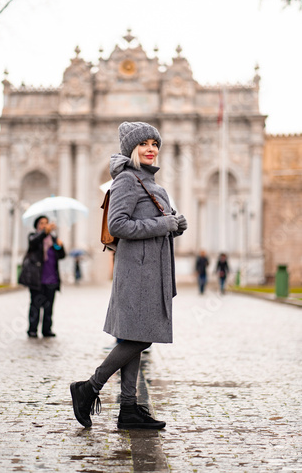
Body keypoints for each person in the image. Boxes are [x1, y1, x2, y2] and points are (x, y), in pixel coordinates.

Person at [70, 121, 187, 430]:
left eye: (154, 144)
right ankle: (89, 387)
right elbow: (119, 225)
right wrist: (165, 225)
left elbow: (155, 224)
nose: (151, 149)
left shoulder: (152, 183)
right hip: (137, 272)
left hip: (152, 271)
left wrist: (176, 224)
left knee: (135, 335)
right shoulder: (126, 180)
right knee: (141, 336)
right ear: (131, 149)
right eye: (144, 144)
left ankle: (128, 409)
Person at [19, 215, 65, 338]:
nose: (44, 225)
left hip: (51, 279)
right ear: (37, 226)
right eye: (41, 223)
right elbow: (33, 243)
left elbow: (61, 256)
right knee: (35, 305)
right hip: (37, 278)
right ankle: (32, 329)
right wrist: (45, 232)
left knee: (49, 307)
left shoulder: (54, 239)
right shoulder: (33, 237)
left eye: (46, 223)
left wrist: (61, 247)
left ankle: (47, 329)